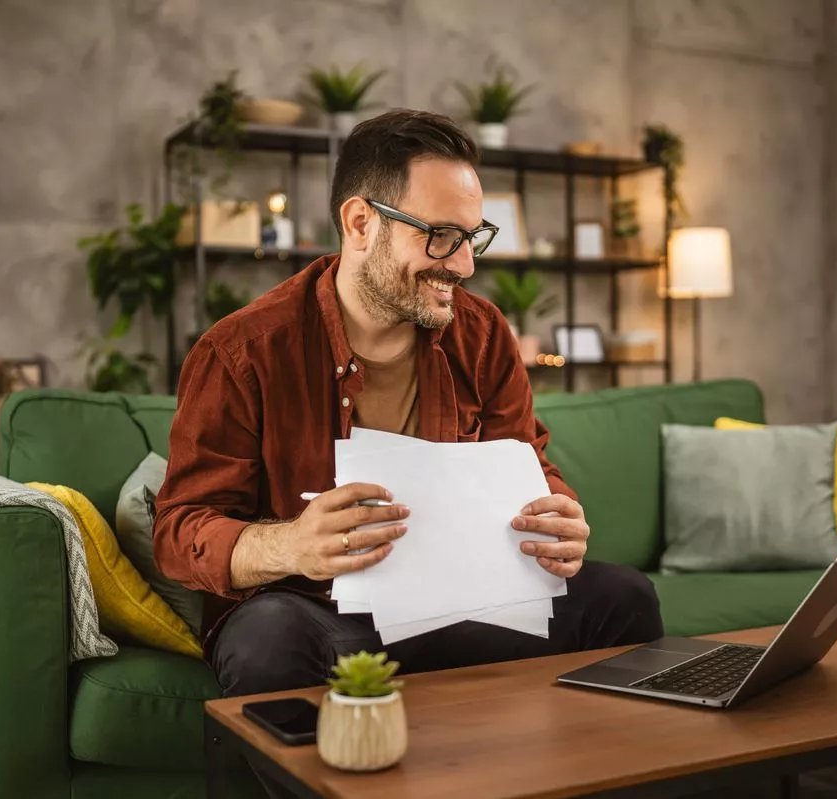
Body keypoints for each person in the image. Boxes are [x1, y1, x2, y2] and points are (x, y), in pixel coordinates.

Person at [153, 109, 662, 697]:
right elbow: (180, 529)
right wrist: (291, 543)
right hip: (319, 613)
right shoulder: (241, 352)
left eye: (471, 238)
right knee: (268, 640)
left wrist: (559, 512)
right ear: (361, 223)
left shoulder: (484, 334)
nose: (465, 265)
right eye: (440, 236)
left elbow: (526, 459)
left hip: (469, 601)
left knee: (623, 597)